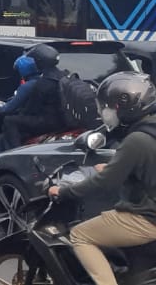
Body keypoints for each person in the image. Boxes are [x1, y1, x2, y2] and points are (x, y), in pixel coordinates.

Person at [50, 71, 156, 285]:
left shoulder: (136, 139)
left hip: (147, 218)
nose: (104, 113)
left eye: (108, 107)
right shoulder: (150, 129)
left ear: (125, 107)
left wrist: (63, 191)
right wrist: (113, 168)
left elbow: (103, 183)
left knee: (80, 235)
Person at [0, 44, 67, 151]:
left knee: (9, 121)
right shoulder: (63, 76)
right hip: (61, 119)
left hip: (49, 122)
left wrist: (18, 112)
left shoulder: (43, 83)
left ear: (40, 62)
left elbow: (31, 109)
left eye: (36, 60)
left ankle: (16, 153)